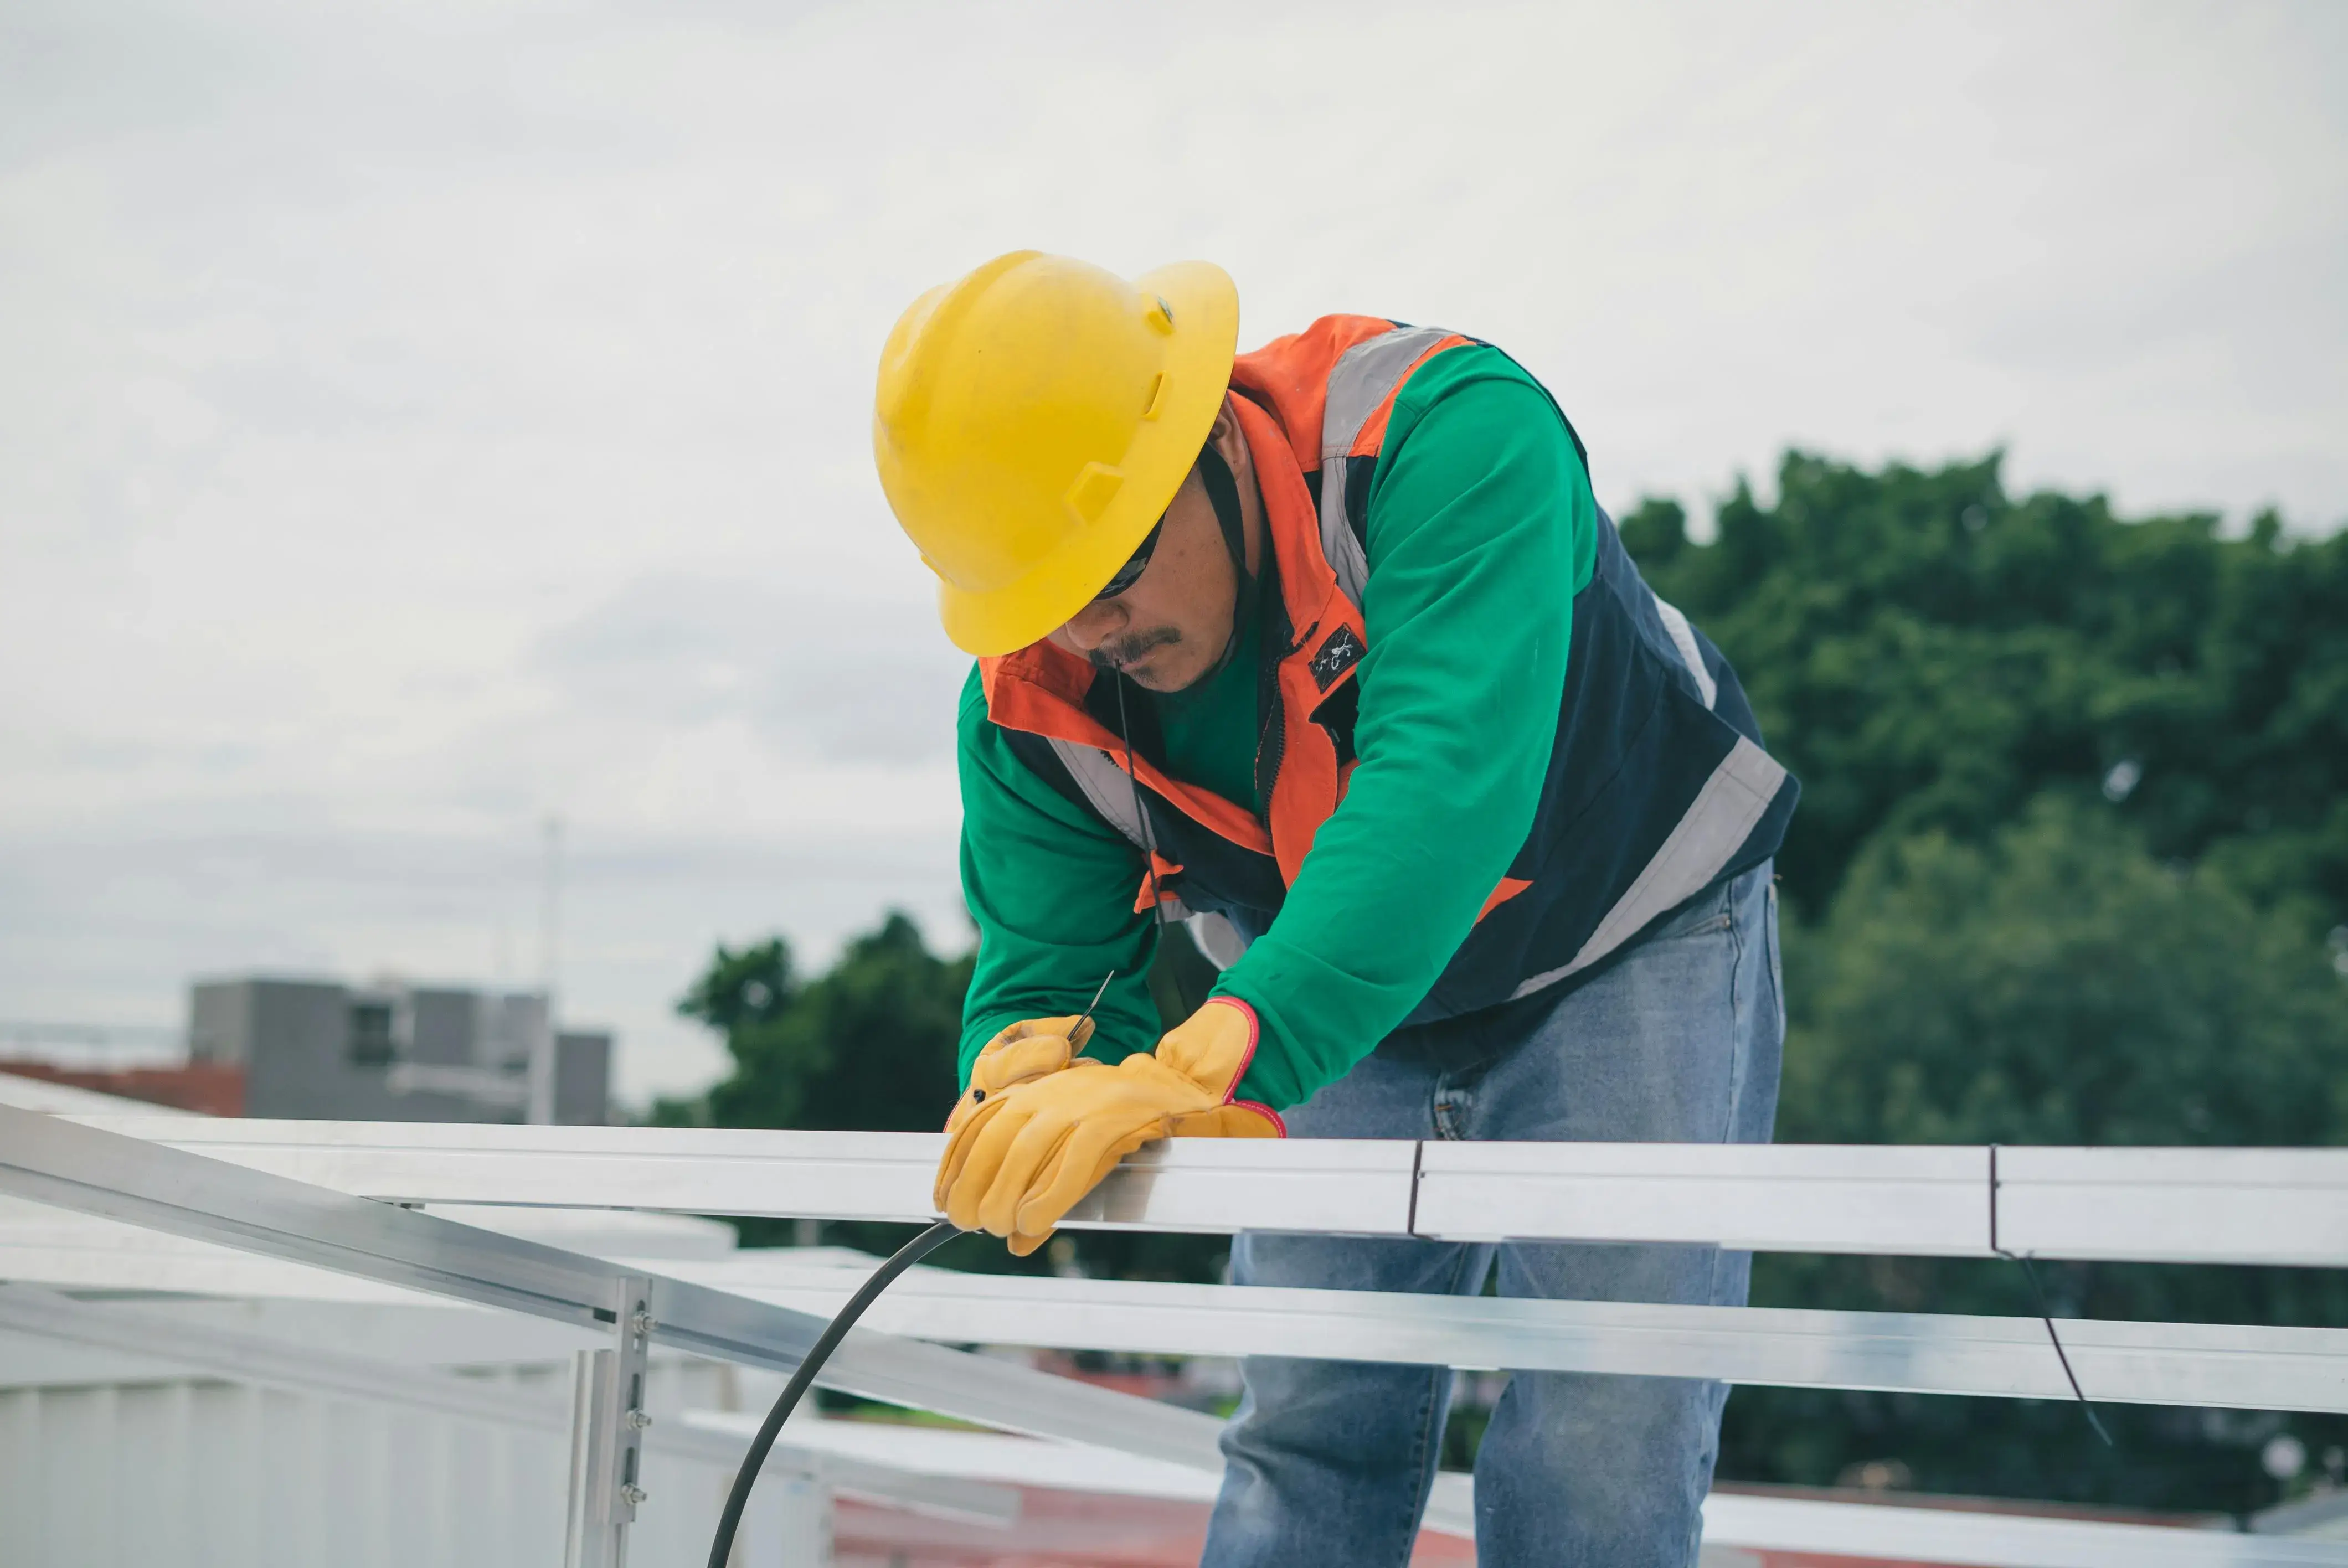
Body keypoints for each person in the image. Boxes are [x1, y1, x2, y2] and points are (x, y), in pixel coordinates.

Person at [874, 250, 1794, 1567]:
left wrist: (1215, 1056)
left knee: (1608, 1429)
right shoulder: (1033, 702)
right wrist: (1024, 1071)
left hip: (1622, 934)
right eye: (1049, 594)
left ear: (1203, 442)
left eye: (1116, 566)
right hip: (1320, 995)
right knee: (1309, 1417)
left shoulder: (1445, 437)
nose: (1095, 625)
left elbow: (1437, 800)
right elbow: (1049, 976)